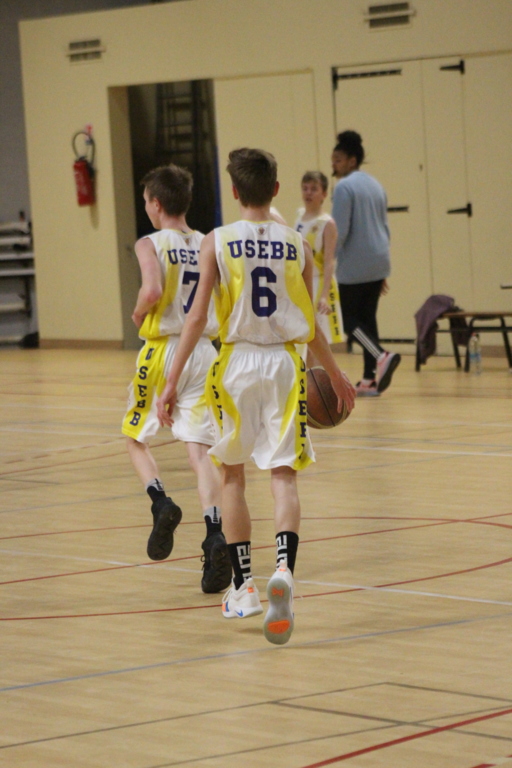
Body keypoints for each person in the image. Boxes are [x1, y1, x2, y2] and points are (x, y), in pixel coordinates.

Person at [157, 148, 355, 645]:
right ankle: (284, 570)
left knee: (233, 476)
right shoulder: (297, 244)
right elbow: (309, 324)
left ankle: (244, 586)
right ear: (276, 190)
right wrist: (335, 375)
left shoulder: (217, 241)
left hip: (235, 365)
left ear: (234, 191)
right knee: (284, 475)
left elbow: (197, 319)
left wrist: (171, 380)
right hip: (286, 365)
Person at [121, 164, 231, 594]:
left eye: (146, 201)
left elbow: (151, 291)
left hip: (164, 349)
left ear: (156, 204)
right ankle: (214, 533)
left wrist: (138, 312)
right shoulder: (208, 242)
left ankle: (161, 502)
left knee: (135, 438)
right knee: (200, 452)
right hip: (203, 351)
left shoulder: (149, 242)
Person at [331, 130, 401, 396]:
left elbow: (339, 231)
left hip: (355, 264)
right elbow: (385, 226)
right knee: (367, 320)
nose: (334, 165)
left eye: (338, 160)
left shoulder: (344, 187)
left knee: (347, 320)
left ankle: (381, 355)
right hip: (378, 260)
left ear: (352, 160)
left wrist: (327, 261)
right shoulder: (375, 185)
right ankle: (370, 378)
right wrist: (382, 268)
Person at [294, 171, 343, 368]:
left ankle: (319, 382)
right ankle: (309, 381)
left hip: (320, 283)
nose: (308, 192)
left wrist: (323, 296)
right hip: (302, 283)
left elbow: (329, 262)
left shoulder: (327, 223)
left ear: (324, 194)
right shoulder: (299, 216)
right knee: (305, 339)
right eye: (305, 188)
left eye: (314, 189)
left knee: (318, 341)